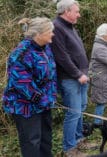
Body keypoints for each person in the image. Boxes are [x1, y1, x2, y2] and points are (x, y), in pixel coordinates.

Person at [2, 17, 56, 157]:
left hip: (44, 104)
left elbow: (51, 74)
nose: (53, 34)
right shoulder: (21, 53)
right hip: (25, 107)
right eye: (50, 31)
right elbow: (22, 83)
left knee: (46, 140)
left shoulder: (46, 48)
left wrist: (51, 96)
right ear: (38, 34)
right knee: (31, 142)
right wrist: (41, 98)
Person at [50, 0, 90, 156]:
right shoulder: (57, 27)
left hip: (81, 76)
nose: (79, 14)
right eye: (76, 11)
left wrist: (84, 72)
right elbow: (62, 56)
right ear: (66, 11)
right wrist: (77, 74)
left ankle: (79, 139)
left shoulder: (71, 27)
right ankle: (69, 148)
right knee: (73, 112)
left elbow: (77, 51)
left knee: (81, 109)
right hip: (70, 78)